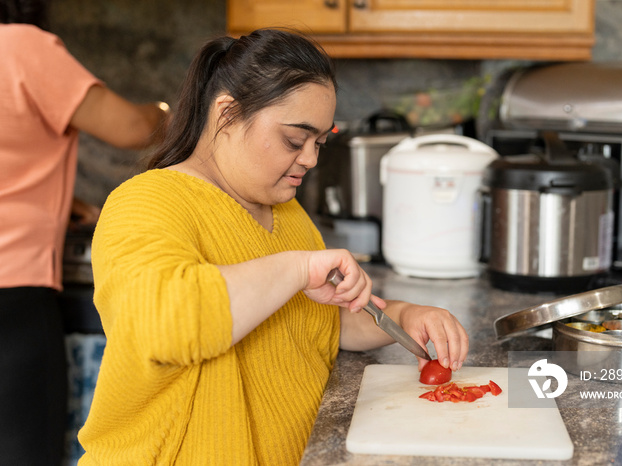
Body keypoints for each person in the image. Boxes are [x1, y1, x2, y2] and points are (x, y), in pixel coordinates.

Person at [78, 28, 469, 465]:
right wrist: (299, 269)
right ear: (227, 113)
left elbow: (323, 324)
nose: (310, 159)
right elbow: (166, 322)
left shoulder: (288, 215)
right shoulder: (147, 201)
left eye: (319, 143)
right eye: (294, 140)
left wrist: (402, 316)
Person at [0, 1, 170, 464]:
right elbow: (132, 128)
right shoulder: (20, 46)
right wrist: (170, 112)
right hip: (11, 294)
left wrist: (60, 201)